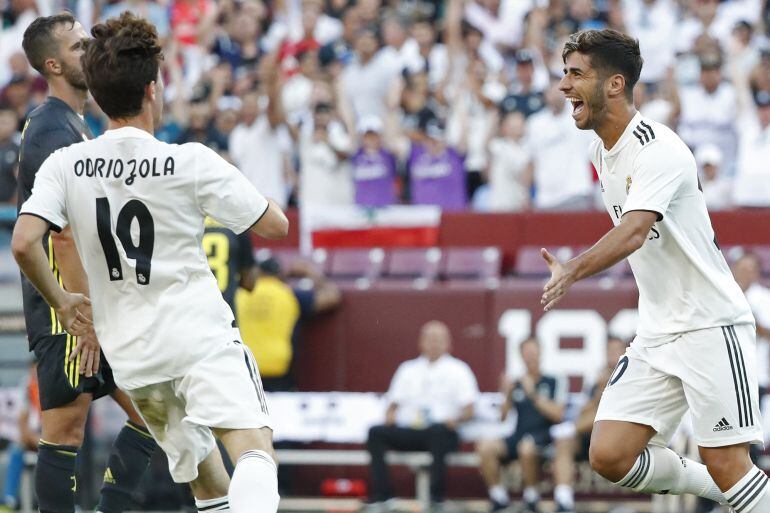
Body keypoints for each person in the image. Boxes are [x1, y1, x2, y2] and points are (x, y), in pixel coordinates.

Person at [12, 12, 290, 513]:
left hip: (135, 356)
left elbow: (24, 242)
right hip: (196, 338)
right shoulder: (191, 160)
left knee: (207, 479)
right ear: (153, 90)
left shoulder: (67, 163)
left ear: (97, 91)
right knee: (253, 452)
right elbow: (274, 225)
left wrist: (64, 300)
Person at [544, 28, 766, 511]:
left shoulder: (658, 147)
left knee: (730, 462)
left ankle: (733, 484)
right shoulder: (599, 151)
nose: (563, 86)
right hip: (658, 331)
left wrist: (572, 270)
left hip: (710, 324)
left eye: (576, 74)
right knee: (609, 455)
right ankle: (720, 487)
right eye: (564, 74)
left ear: (615, 84)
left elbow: (634, 231)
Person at [16, 13, 158, 513]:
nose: (89, 53)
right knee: (64, 430)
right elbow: (63, 238)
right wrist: (85, 319)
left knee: (154, 412)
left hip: (94, 306)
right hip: (69, 309)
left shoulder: (76, 125)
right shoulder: (51, 132)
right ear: (52, 64)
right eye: (79, 48)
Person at [364, 321, 478, 512]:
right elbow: (393, 404)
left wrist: (456, 420)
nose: (434, 344)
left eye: (438, 340)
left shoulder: (459, 370)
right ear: (421, 342)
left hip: (443, 431)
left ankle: (436, 498)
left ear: (448, 343)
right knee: (375, 433)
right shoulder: (407, 369)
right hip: (412, 430)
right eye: (430, 339)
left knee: (438, 432)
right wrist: (390, 415)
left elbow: (469, 409)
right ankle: (384, 496)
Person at [475, 338, 568, 513]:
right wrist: (506, 393)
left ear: (541, 353)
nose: (530, 356)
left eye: (533, 351)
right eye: (526, 352)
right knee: (486, 446)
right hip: (519, 433)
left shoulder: (553, 380)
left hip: (545, 435)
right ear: (520, 355)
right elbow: (502, 417)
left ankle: (531, 497)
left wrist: (532, 393)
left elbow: (558, 415)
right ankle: (498, 497)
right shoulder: (516, 382)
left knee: (526, 447)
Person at [236, 257, 341, 392]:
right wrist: (309, 272)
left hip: (245, 369)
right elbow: (333, 296)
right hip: (278, 371)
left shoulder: (239, 295)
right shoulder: (288, 294)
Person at [550, 336, 629, 513]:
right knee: (564, 443)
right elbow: (583, 411)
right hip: (592, 435)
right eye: (609, 350)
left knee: (600, 416)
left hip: (620, 437)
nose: (612, 355)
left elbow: (618, 412)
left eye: (617, 350)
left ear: (625, 352)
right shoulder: (596, 380)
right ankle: (564, 501)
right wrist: (599, 392)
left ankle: (569, 429)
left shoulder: (631, 376)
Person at [203, 216, 257, 313]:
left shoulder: (188, 222)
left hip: (193, 311)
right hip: (225, 313)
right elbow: (249, 283)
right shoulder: (236, 223)